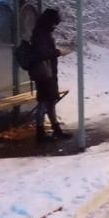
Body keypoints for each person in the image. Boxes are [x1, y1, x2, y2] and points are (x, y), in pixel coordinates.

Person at [30, 8, 71, 141]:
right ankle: (40, 132)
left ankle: (55, 130)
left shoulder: (41, 32)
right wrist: (58, 52)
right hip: (44, 73)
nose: (55, 26)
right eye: (54, 23)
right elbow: (43, 53)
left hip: (48, 72)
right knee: (44, 101)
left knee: (50, 100)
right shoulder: (41, 34)